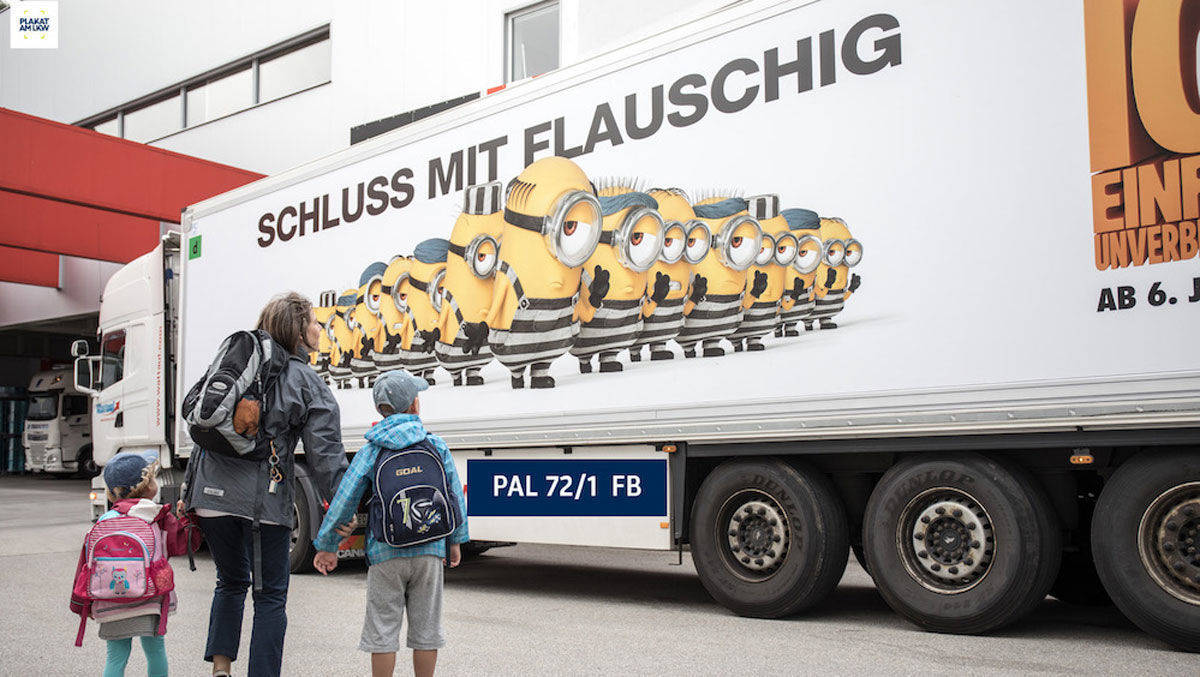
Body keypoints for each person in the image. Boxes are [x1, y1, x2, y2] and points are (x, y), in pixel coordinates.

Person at [183, 292, 350, 677]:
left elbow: (207, 430)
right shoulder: (307, 381)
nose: (319, 329)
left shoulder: (241, 365)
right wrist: (341, 511)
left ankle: (221, 670)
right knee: (270, 595)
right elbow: (325, 455)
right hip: (263, 503)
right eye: (314, 322)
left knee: (230, 580)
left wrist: (190, 491)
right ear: (298, 330)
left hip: (209, 496)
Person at [312, 369, 469, 677]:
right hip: (429, 549)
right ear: (413, 405)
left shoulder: (372, 450)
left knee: (382, 630)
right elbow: (453, 497)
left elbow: (345, 498)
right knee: (426, 629)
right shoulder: (435, 445)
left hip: (385, 551)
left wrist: (328, 545)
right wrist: (455, 541)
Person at [86, 450, 200, 677]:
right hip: (150, 599)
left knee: (116, 657)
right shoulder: (156, 518)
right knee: (156, 651)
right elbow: (182, 545)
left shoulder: (103, 521)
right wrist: (186, 517)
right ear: (148, 487)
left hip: (110, 600)